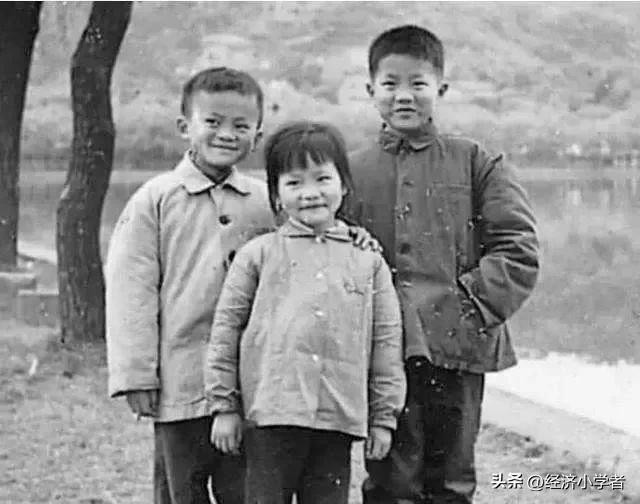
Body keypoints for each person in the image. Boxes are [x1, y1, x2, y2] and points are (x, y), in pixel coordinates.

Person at [106, 67, 381, 504]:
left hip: (251, 387)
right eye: (213, 122)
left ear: (257, 135)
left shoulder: (266, 200)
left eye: (240, 125)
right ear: (185, 126)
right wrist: (136, 374)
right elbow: (130, 294)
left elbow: (308, 239)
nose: (226, 134)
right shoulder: (154, 200)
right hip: (179, 379)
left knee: (242, 489)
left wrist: (351, 237)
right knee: (180, 489)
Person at [341, 25, 540, 504]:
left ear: (441, 89)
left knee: (452, 479)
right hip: (382, 349)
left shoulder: (476, 161)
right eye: (390, 84)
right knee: (389, 478)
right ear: (370, 90)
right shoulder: (349, 171)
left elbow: (518, 248)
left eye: (418, 84)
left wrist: (468, 304)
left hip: (459, 341)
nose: (403, 96)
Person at [205, 121, 407, 504]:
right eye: (294, 183)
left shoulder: (368, 260)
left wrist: (384, 418)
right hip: (269, 415)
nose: (310, 193)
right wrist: (224, 406)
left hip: (337, 417)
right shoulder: (257, 255)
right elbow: (226, 331)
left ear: (344, 185)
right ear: (276, 194)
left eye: (322, 179)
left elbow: (386, 343)